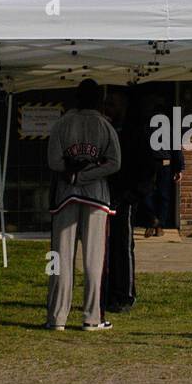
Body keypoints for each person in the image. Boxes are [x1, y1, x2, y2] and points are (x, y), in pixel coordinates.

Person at [46, 79, 122, 330]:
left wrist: (74, 173)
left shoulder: (62, 124)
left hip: (65, 195)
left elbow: (54, 162)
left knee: (59, 257)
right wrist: (88, 173)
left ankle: (57, 317)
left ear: (76, 98)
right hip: (97, 197)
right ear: (99, 100)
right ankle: (92, 318)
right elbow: (114, 163)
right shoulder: (105, 126)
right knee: (94, 259)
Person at [102, 87, 154, 313]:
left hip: (125, 197)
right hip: (108, 195)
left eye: (113, 103)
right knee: (108, 246)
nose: (109, 108)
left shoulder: (134, 132)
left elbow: (147, 168)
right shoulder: (109, 129)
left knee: (122, 245)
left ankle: (124, 294)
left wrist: (132, 195)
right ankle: (110, 291)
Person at [142, 96, 183, 238]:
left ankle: (152, 220)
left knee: (147, 193)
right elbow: (176, 149)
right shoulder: (169, 129)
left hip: (149, 163)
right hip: (165, 164)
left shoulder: (146, 127)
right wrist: (179, 168)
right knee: (163, 196)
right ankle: (160, 225)